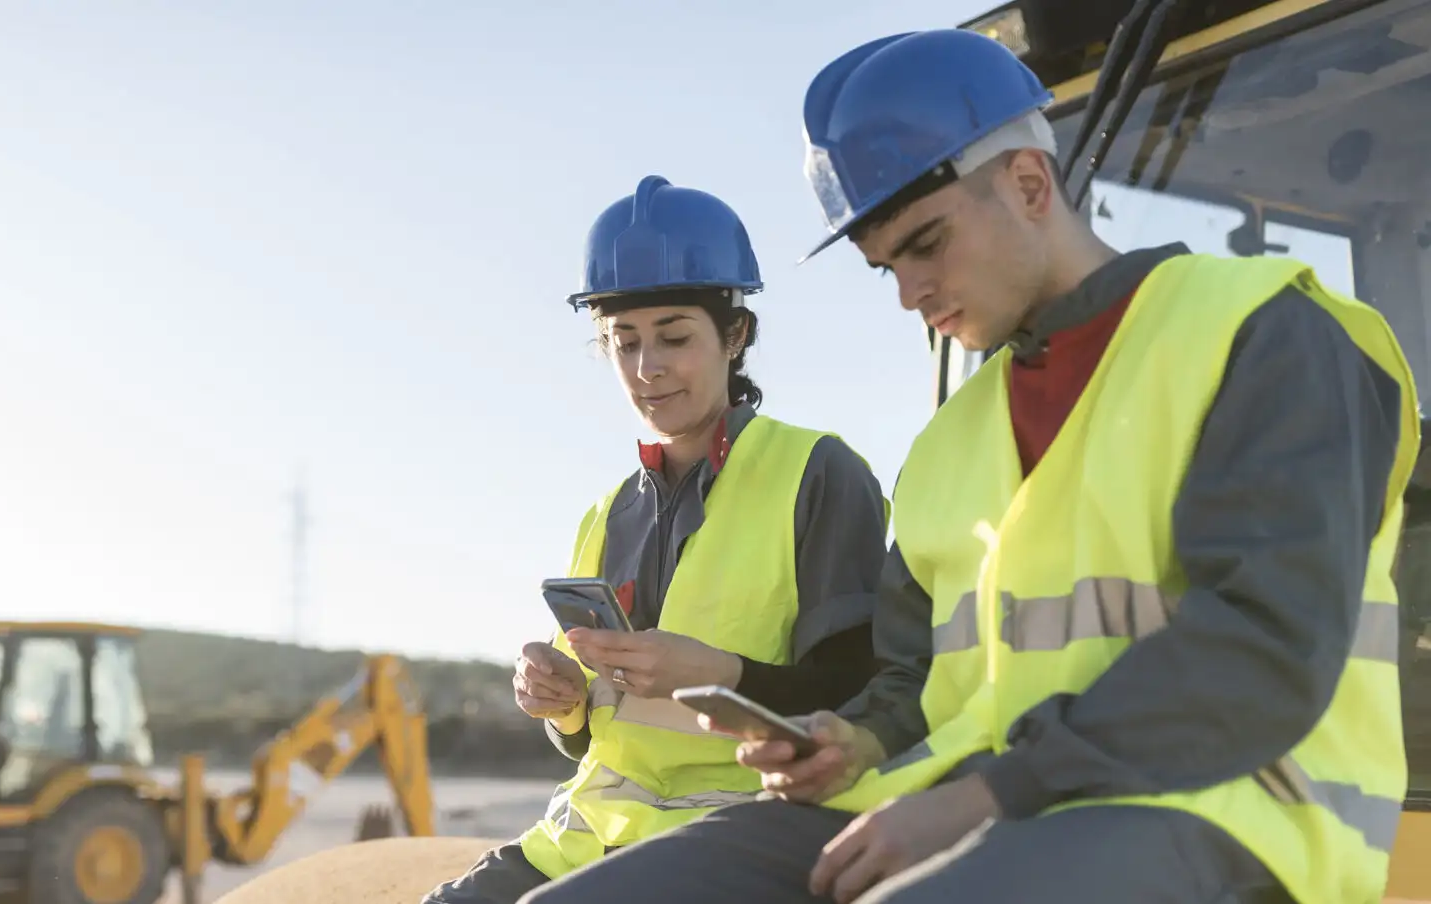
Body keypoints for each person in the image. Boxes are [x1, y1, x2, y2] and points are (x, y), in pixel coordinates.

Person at [518, 28, 1417, 904]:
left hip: (1220, 807)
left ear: (1030, 184)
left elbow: (1263, 649)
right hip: (979, 797)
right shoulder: (955, 440)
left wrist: (989, 796)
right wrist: (857, 738)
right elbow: (915, 675)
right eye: (885, 269)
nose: (911, 293)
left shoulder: (1265, 333)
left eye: (926, 245)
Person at [420, 175, 893, 904]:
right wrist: (562, 700)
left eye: (674, 337)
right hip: (588, 834)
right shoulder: (606, 515)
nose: (648, 369)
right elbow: (588, 739)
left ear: (735, 335)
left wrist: (716, 673)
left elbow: (859, 695)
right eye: (623, 342)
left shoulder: (819, 473)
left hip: (744, 831)